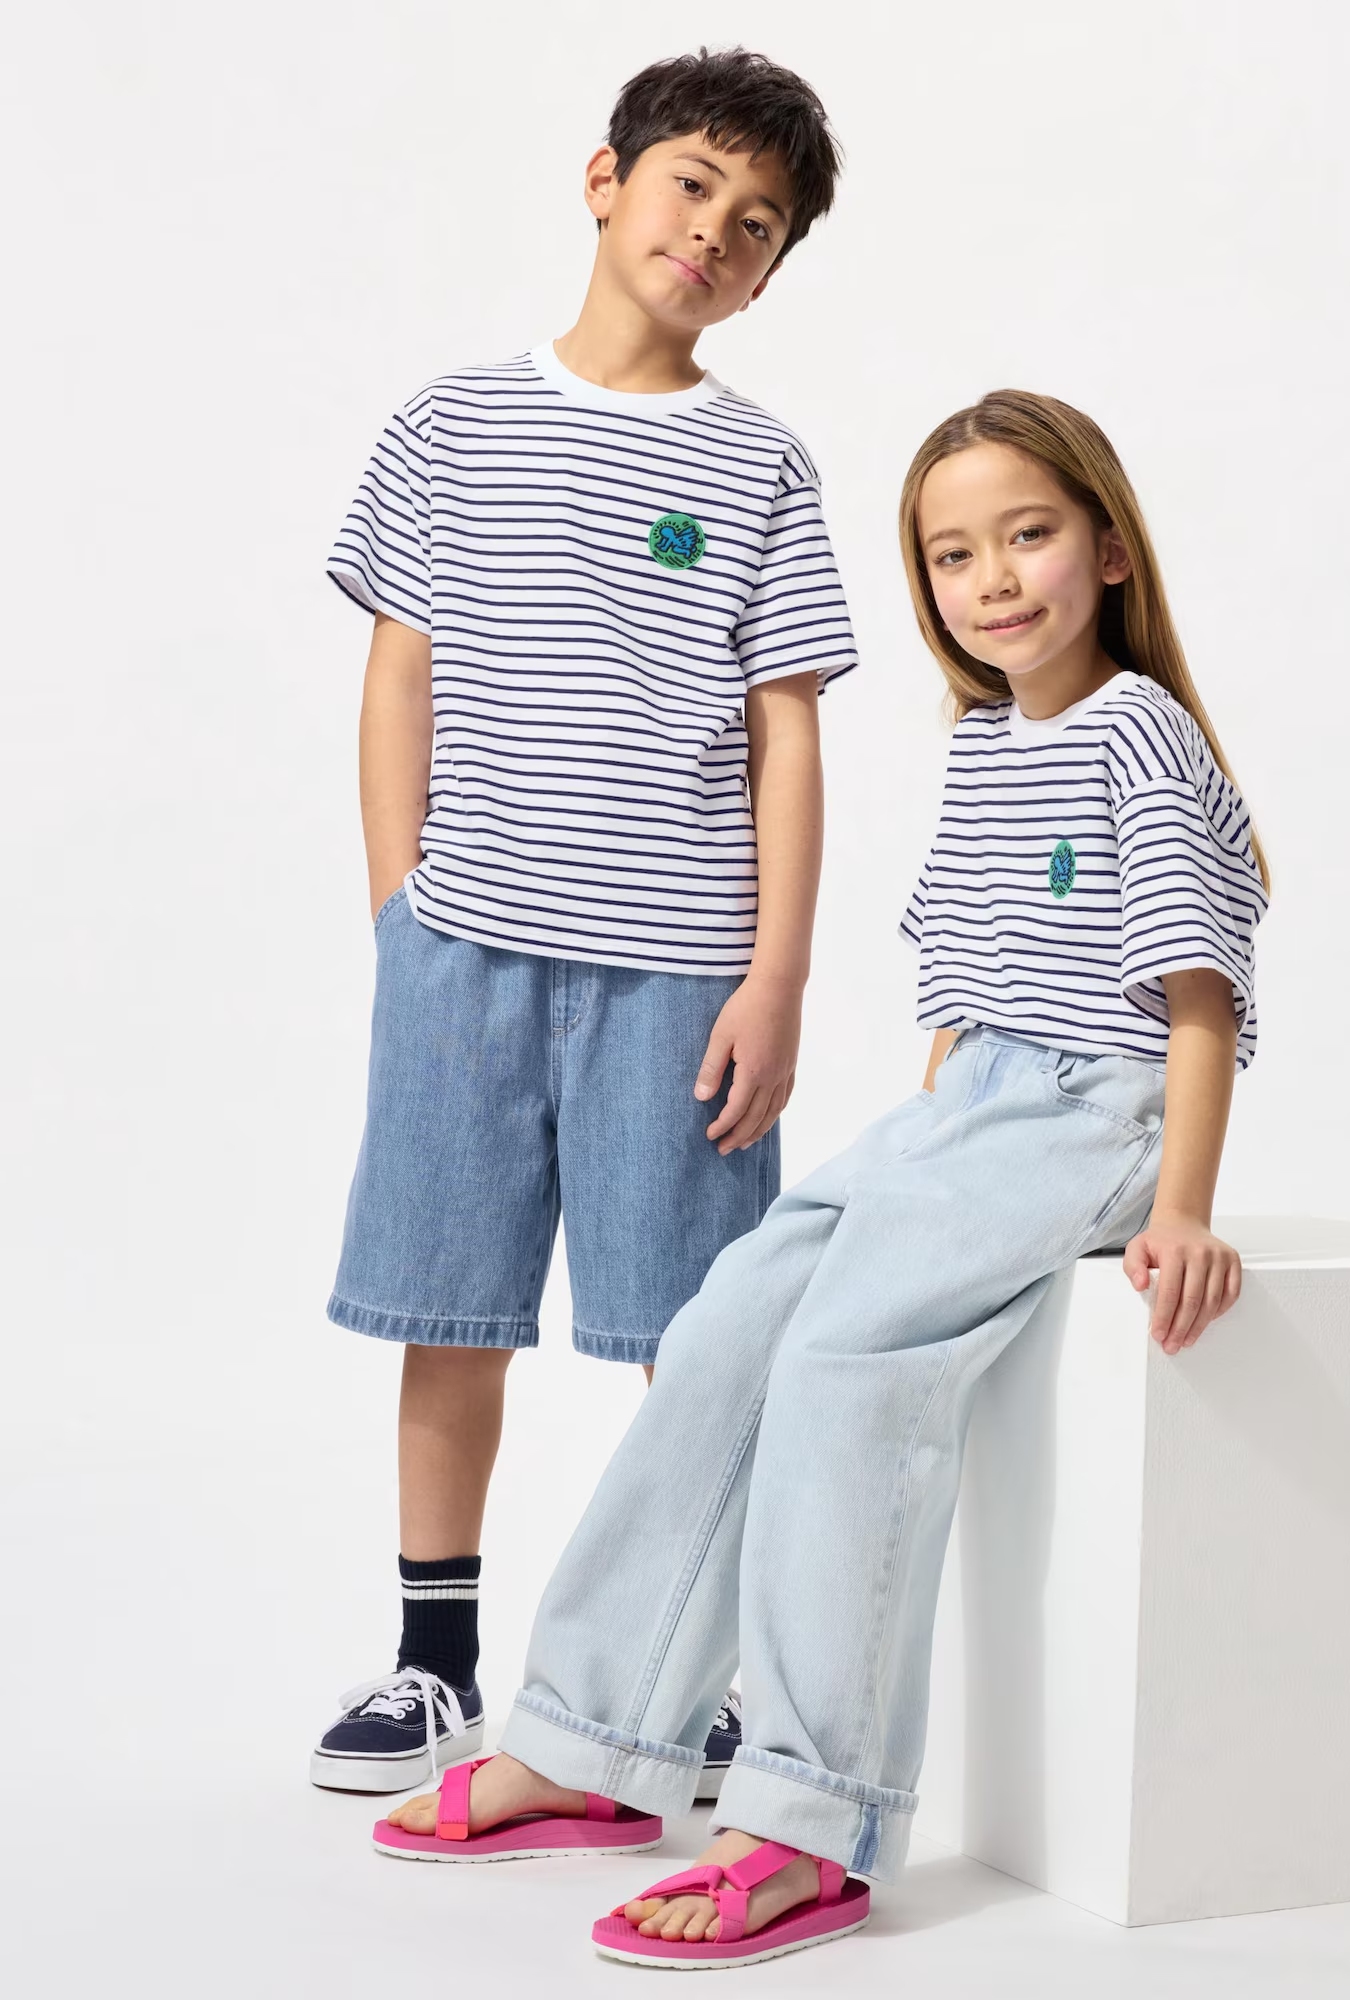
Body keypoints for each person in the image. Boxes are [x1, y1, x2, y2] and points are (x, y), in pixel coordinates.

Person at [372, 388, 1271, 1972]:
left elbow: (1197, 996)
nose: (992, 579)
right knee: (729, 1325)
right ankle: (590, 1739)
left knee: (851, 1357)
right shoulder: (986, 741)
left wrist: (1183, 1205)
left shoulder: (1142, 730)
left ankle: (806, 1820)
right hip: (969, 1111)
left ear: (1112, 549)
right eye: (952, 555)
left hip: (1092, 1109)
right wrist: (920, 1145)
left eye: (1030, 535)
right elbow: (965, 996)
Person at [310, 48, 856, 1798]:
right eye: (694, 182)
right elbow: (400, 673)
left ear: (768, 276)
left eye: (758, 224)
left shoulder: (763, 464)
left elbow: (785, 734)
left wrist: (776, 979)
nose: (717, 230)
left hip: (679, 973)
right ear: (607, 178)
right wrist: (399, 913)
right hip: (463, 954)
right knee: (446, 1308)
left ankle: (693, 1680)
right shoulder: (451, 423)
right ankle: (436, 1667)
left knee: (693, 1342)